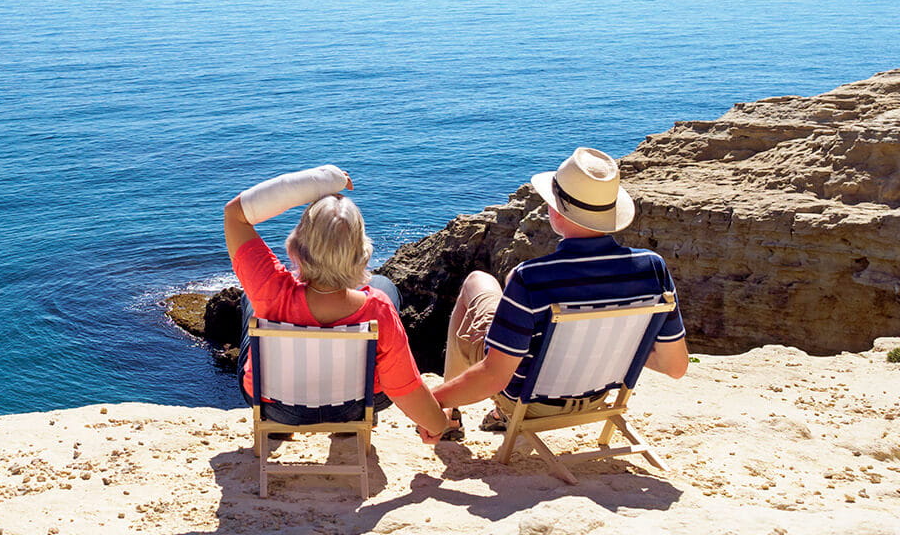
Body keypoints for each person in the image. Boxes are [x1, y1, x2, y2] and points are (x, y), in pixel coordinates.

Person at [424, 148, 690, 443]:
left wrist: (429, 401)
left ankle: (448, 418)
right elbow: (674, 367)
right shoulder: (652, 268)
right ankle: (491, 416)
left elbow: (493, 377)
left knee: (478, 281)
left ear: (556, 210)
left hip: (528, 402)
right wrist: (618, 346)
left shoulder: (531, 277)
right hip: (596, 397)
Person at [224, 164, 449, 436]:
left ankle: (280, 430)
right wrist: (438, 424)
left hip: (275, 406)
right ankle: (347, 429)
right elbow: (405, 387)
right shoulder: (378, 308)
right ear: (362, 253)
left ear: (296, 245)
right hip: (354, 407)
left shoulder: (270, 289)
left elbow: (235, 213)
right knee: (383, 285)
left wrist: (322, 181)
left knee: (252, 299)